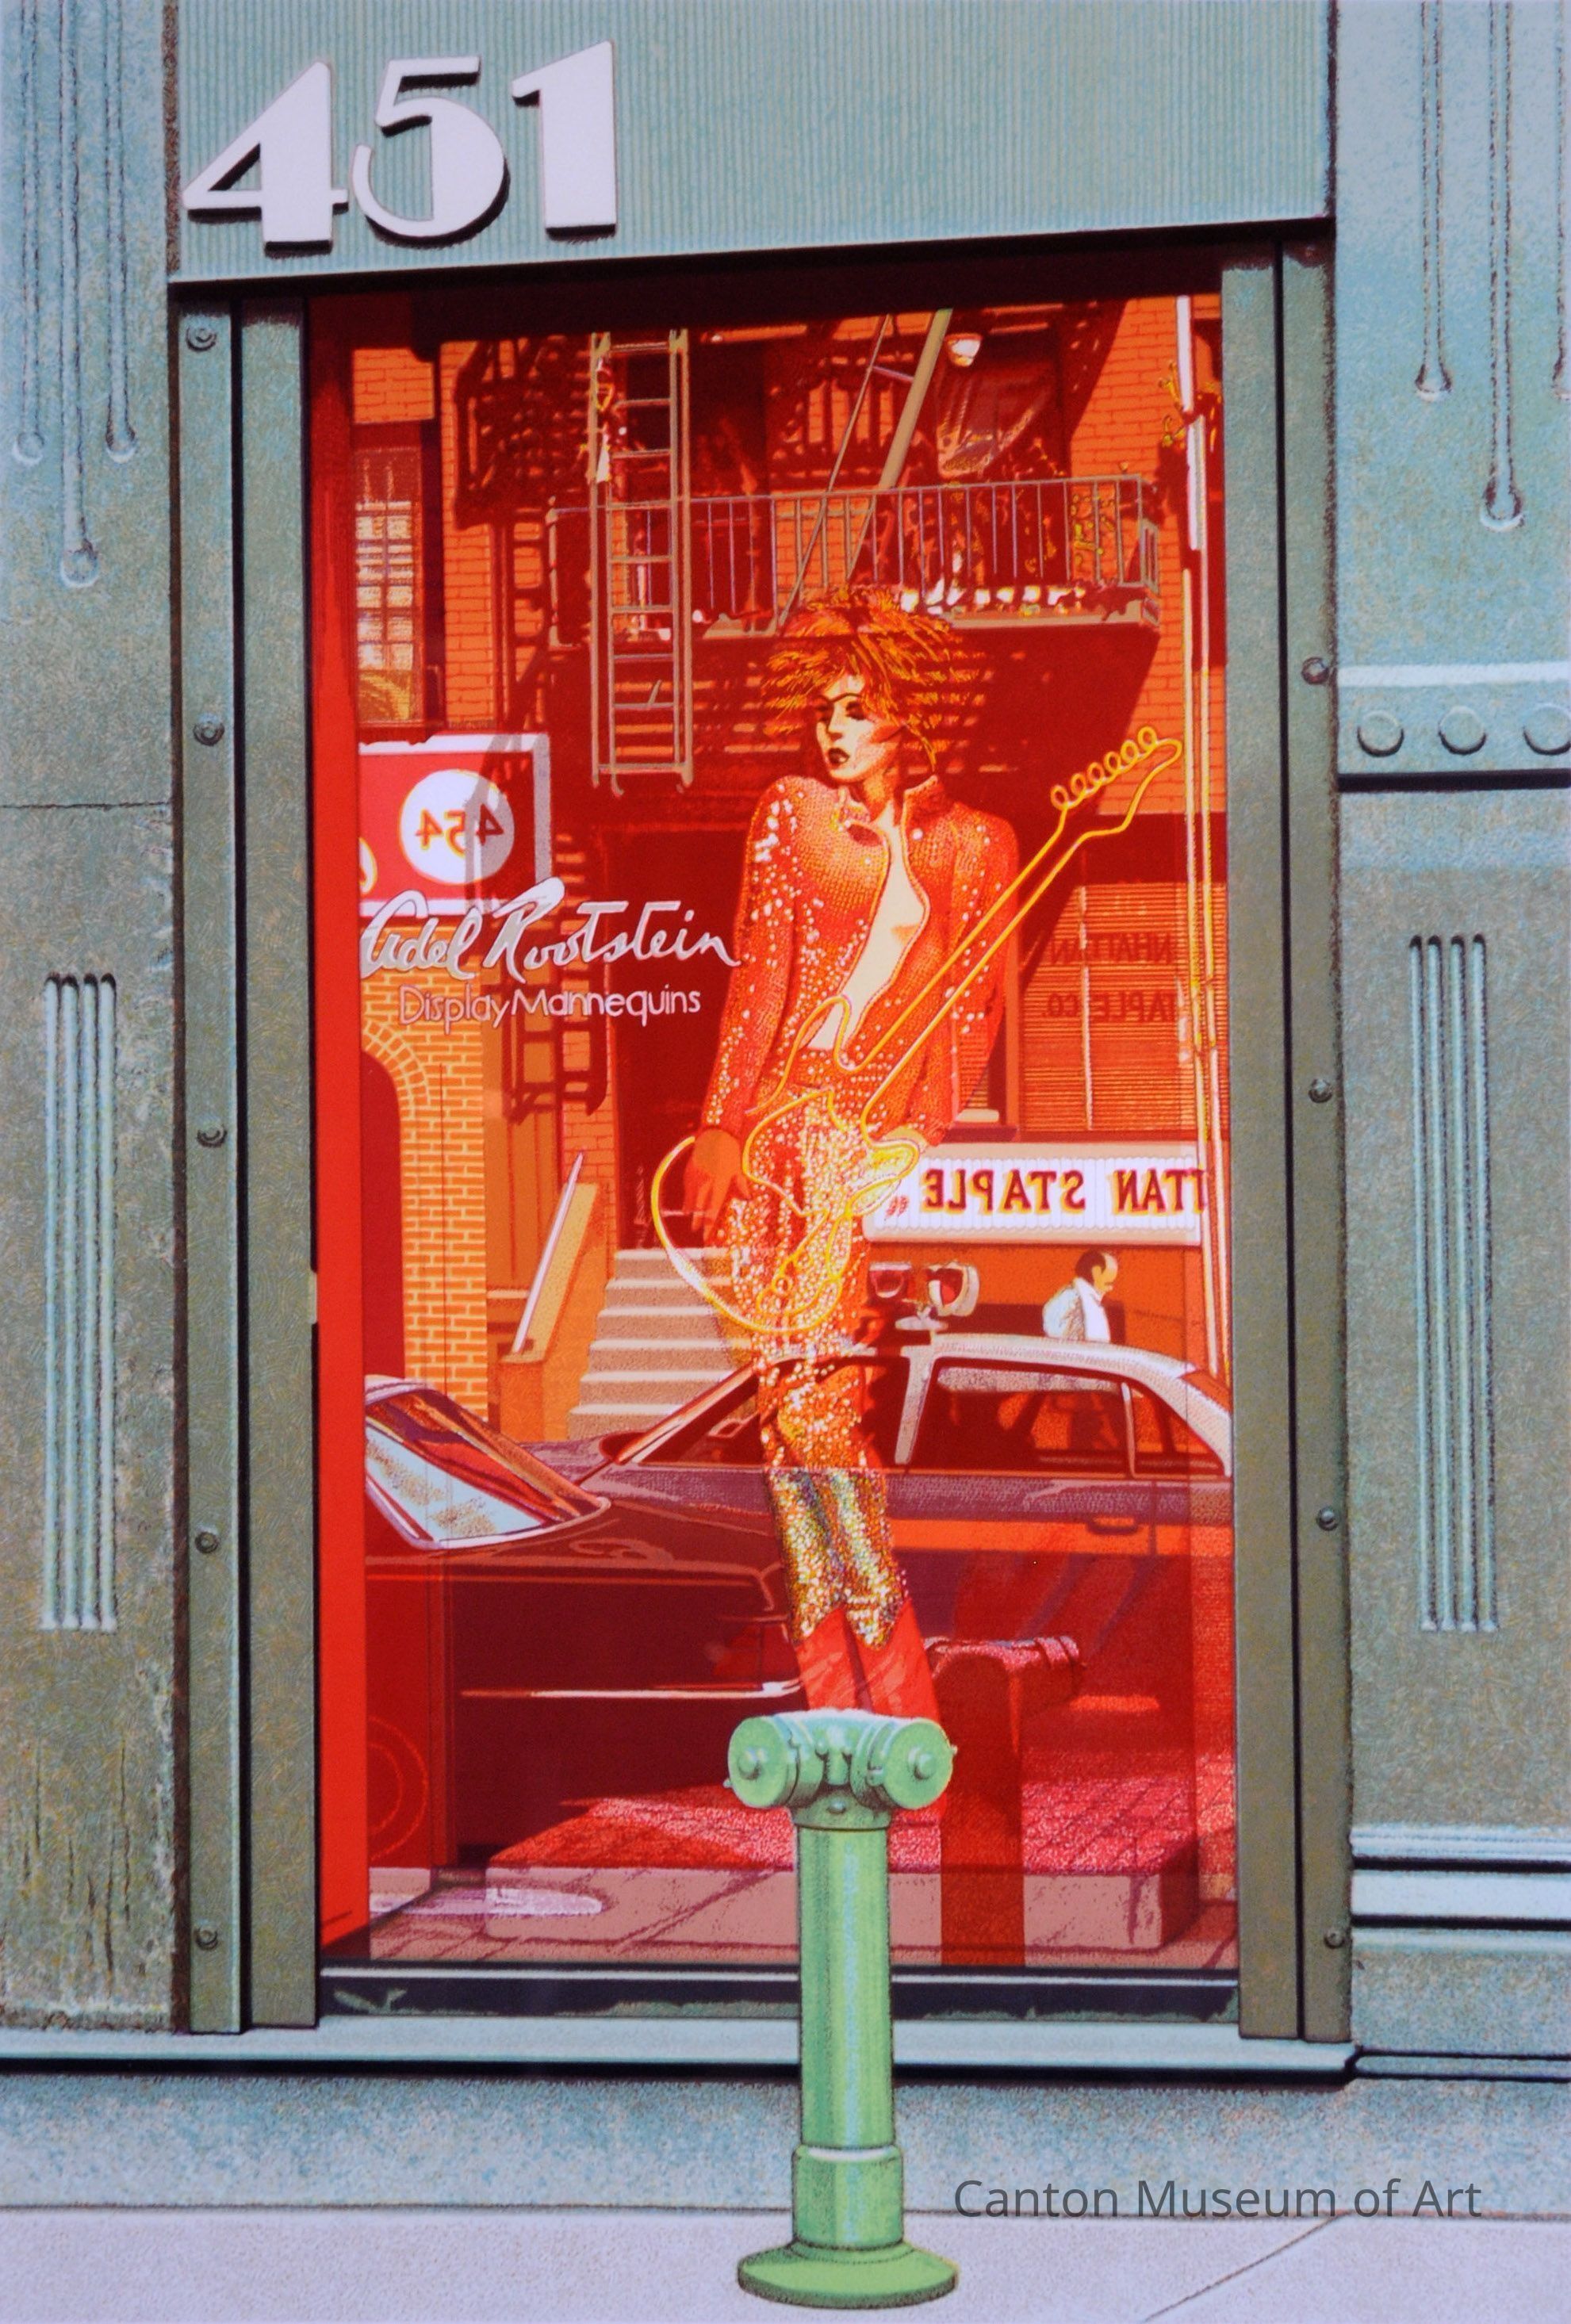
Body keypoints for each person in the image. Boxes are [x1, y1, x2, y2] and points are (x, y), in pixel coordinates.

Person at [682, 588, 1017, 1718]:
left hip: (865, 1140)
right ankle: (860, 1692)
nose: (835, 729)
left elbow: (972, 1008)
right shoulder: (793, 814)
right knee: (793, 1418)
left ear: (907, 716)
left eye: (858, 709)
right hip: (780, 1130)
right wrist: (723, 1122)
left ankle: (883, 1692)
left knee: (820, 1416)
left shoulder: (978, 844)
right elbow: (759, 972)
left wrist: (918, 1133)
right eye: (826, 709)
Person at [1041, 1249, 1121, 1342]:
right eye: (1108, 1284)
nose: (1111, 1289)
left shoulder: (1088, 1299)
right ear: (1096, 1272)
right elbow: (1065, 1346)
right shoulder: (1069, 1300)